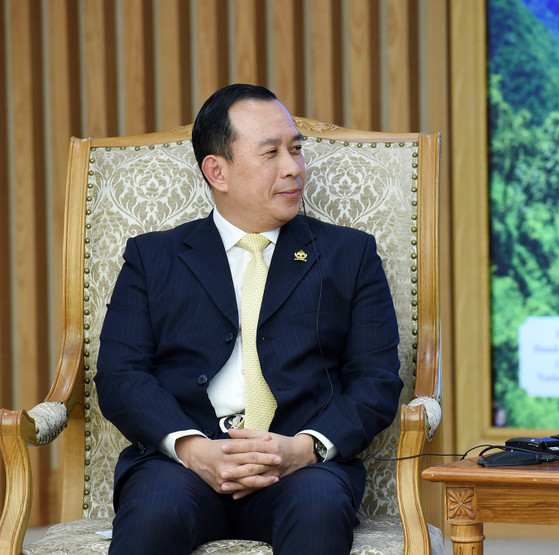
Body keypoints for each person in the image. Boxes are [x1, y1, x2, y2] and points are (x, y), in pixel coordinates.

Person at [95, 83, 403, 555]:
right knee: (154, 508)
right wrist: (192, 449)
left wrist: (303, 449)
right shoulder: (153, 257)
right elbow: (120, 375)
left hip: (303, 469)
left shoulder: (349, 254)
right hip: (180, 466)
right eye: (271, 153)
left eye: (296, 150)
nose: (293, 168)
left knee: (320, 506)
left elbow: (376, 380)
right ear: (217, 170)